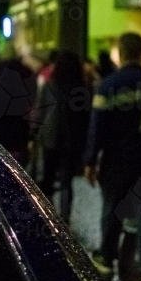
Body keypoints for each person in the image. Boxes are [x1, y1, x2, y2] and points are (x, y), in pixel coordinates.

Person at [84, 32, 141, 281]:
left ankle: (106, 257)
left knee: (112, 208)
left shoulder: (108, 85)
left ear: (120, 52)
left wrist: (90, 160)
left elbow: (97, 127)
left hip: (116, 159)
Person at [31, 50, 90, 222]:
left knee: (48, 179)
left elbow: (39, 113)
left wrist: (33, 135)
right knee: (66, 181)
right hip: (72, 140)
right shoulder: (82, 90)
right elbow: (85, 118)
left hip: (50, 138)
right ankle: (64, 218)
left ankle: (47, 215)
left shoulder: (49, 86)